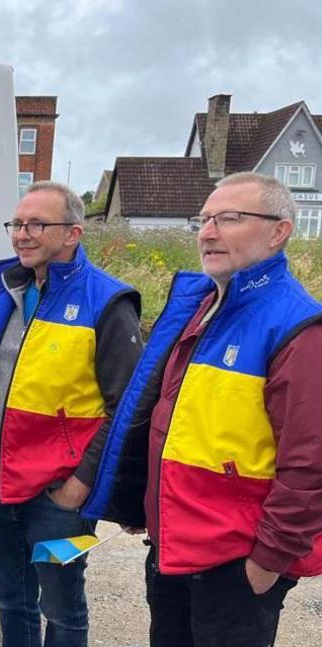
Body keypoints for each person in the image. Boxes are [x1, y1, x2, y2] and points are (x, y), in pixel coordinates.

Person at [83, 172, 322, 647]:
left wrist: (267, 562)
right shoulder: (203, 306)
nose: (208, 232)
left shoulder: (298, 327)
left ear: (279, 231)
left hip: (234, 564)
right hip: (174, 548)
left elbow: (310, 464)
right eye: (204, 218)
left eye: (229, 218)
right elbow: (167, 418)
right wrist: (144, 499)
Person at [0, 181, 142, 647]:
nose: (21, 234)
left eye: (37, 224)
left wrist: (80, 485)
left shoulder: (109, 302)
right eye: (16, 223)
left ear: (73, 233)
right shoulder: (11, 288)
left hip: (58, 497)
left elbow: (126, 408)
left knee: (62, 608)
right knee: (10, 601)